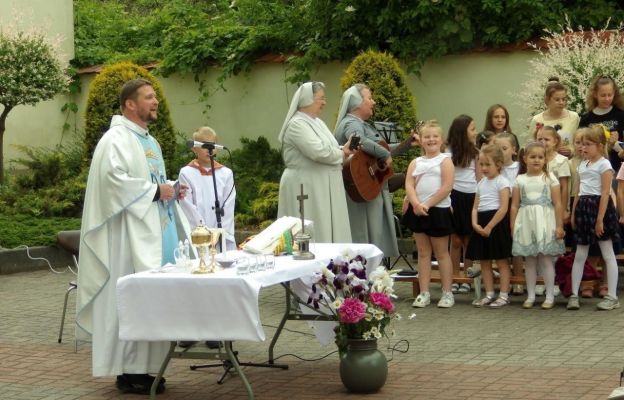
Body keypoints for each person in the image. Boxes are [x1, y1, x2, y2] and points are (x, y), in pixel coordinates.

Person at [76, 79, 192, 394]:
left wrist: (169, 188)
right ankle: (129, 369)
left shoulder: (148, 141)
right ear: (130, 104)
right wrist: (156, 190)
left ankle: (148, 368)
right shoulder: (115, 139)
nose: (156, 102)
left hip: (152, 232)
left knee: (151, 298)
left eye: (155, 96)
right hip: (126, 237)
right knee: (130, 298)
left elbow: (148, 179)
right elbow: (114, 181)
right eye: (149, 97)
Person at [334, 84, 417, 259]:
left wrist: (408, 143)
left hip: (371, 188)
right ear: (357, 103)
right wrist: (384, 153)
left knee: (373, 233)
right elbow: (359, 141)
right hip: (361, 190)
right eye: (369, 98)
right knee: (364, 235)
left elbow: (380, 149)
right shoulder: (350, 123)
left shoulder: (361, 123)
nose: (374, 101)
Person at [277, 81, 353, 243]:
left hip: (323, 186)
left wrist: (344, 150)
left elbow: (330, 147)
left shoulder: (317, 122)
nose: (324, 103)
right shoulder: (296, 124)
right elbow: (317, 151)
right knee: (313, 228)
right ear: (307, 100)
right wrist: (342, 153)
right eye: (321, 98)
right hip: (306, 185)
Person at [402, 120, 455, 308]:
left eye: (435, 136)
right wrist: (416, 203)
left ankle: (447, 292)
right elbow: (409, 184)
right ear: (421, 140)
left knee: (441, 253)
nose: (431, 139)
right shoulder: (416, 162)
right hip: (419, 211)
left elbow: (447, 187)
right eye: (427, 137)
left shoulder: (445, 161)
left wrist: (427, 204)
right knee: (423, 253)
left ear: (441, 140)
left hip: (438, 211)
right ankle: (424, 292)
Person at [568, 126, 620, 310]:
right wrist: (574, 212)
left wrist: (600, 219)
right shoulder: (583, 164)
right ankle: (574, 294)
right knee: (580, 254)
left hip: (600, 209)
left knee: (607, 253)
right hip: (583, 207)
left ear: (598, 145)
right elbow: (579, 190)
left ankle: (612, 296)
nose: (583, 148)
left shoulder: (604, 165)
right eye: (581, 144)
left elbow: (605, 193)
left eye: (587, 144)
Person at [510, 141, 565, 309]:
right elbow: (514, 205)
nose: (536, 160)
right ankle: (531, 295)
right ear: (525, 158)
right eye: (532, 157)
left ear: (545, 159)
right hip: (526, 223)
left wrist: (559, 225)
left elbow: (557, 203)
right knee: (530, 261)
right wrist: (513, 226)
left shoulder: (550, 178)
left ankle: (549, 296)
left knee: (546, 260)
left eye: (540, 157)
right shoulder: (520, 179)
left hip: (545, 222)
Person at [467, 144, 513, 308]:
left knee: (501, 261)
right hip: (481, 222)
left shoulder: (503, 182)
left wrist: (490, 227)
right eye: (481, 164)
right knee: (484, 262)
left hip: (496, 224)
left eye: (488, 164)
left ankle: (504, 294)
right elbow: (475, 207)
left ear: (498, 164)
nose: (484, 168)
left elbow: (503, 208)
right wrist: (475, 223)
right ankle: (489, 293)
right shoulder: (480, 183)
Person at [179, 126, 236, 250]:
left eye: (212, 145)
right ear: (194, 148)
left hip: (221, 236)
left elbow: (229, 205)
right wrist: (203, 231)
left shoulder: (226, 173)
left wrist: (221, 233)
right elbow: (187, 205)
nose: (209, 150)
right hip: (199, 235)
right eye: (204, 146)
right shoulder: (186, 173)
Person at [446, 114, 481, 293]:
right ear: (462, 131)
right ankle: (454, 276)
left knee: (468, 239)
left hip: (471, 197)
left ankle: (467, 278)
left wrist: (478, 201)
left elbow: (479, 178)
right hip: (453, 197)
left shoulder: (475, 153)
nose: (475, 132)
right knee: (456, 240)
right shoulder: (447, 152)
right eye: (472, 129)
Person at [494, 132, 524, 295]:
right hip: (499, 209)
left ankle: (518, 279)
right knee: (502, 246)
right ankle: (506, 279)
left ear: (513, 149)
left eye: (504, 148)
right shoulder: (494, 168)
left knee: (517, 246)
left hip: (516, 208)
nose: (501, 152)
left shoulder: (519, 167)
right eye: (497, 149)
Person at [579, 74, 624, 174]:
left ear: (614, 94)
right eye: (603, 95)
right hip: (593, 170)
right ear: (595, 94)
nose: (607, 98)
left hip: (617, 169)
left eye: (610, 95)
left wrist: (616, 144)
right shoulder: (586, 119)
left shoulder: (620, 115)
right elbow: (580, 146)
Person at [528, 77, 580, 156]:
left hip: (568, 163)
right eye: (557, 99)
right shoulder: (537, 119)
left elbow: (580, 143)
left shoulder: (574, 117)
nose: (561, 102)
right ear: (547, 100)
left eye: (564, 99)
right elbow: (530, 145)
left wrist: (571, 151)